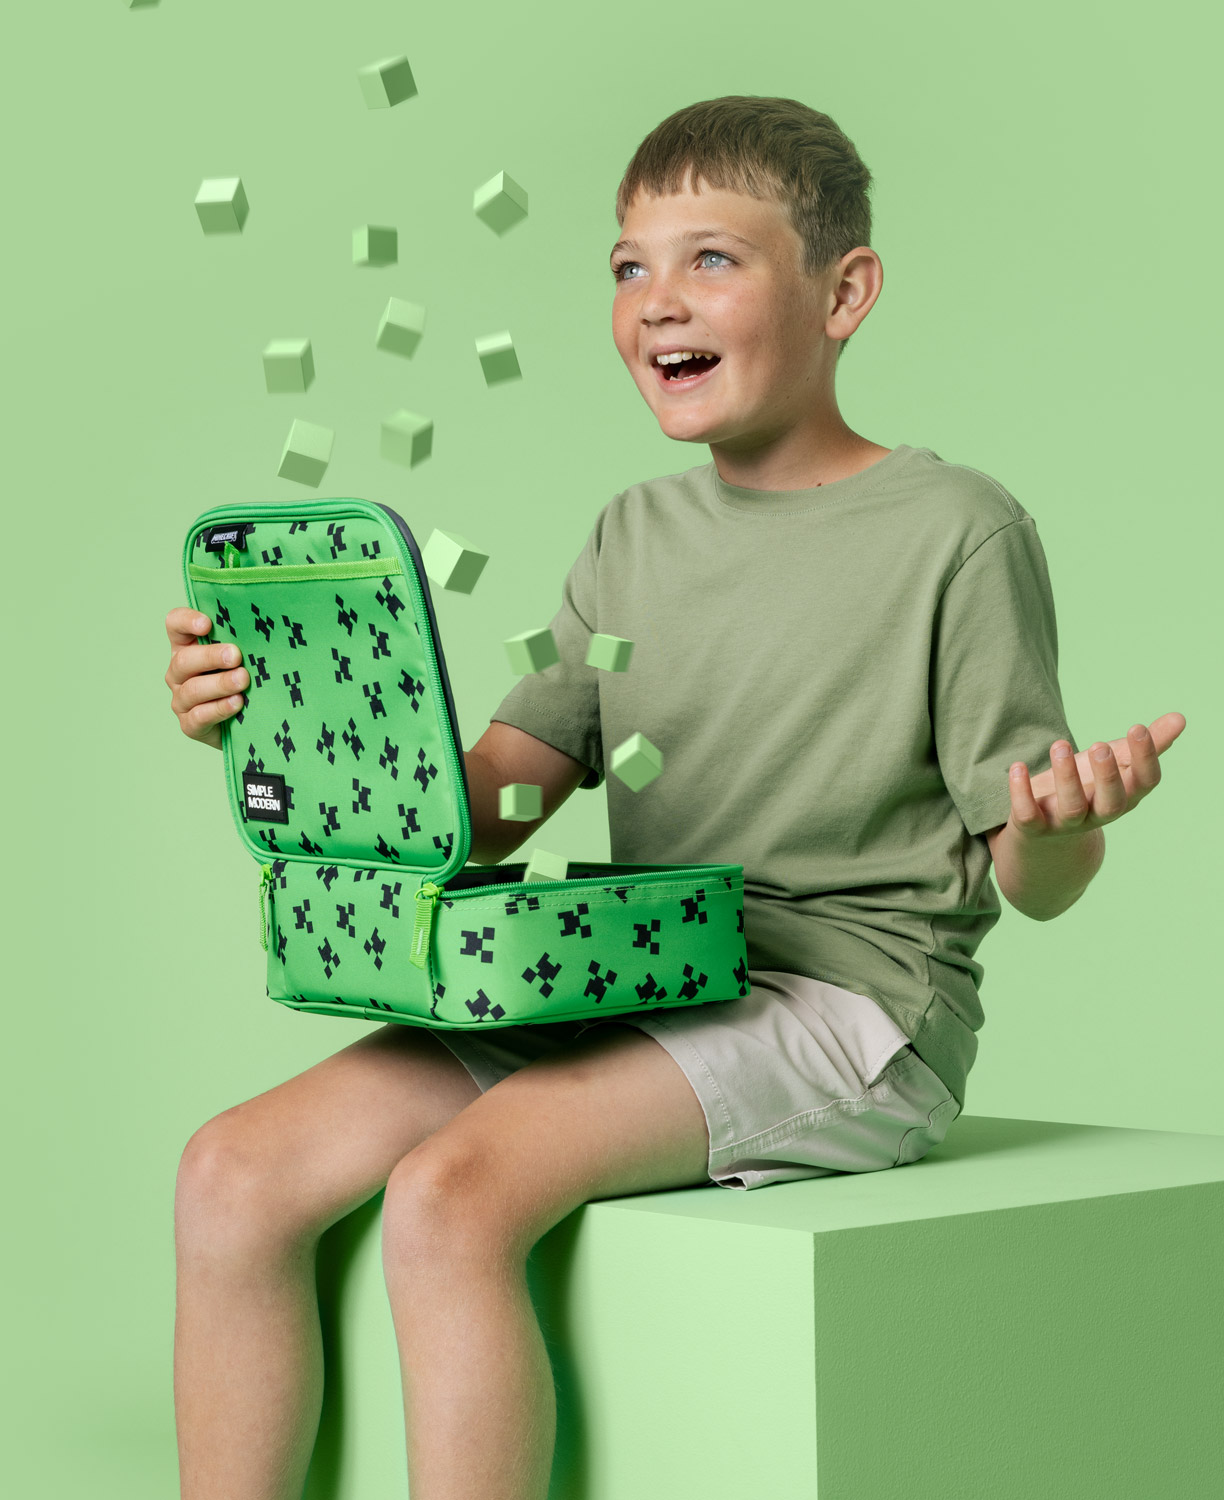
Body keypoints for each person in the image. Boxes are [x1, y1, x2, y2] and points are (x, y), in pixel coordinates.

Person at [165, 95, 1185, 1500]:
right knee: (227, 1173)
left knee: (449, 1199)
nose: (657, 303)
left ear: (845, 291)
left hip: (854, 1005)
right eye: (627, 267)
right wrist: (285, 719)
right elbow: (492, 816)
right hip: (634, 973)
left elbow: (1028, 873)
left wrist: (1064, 833)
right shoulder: (629, 536)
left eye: (711, 259)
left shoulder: (959, 530)